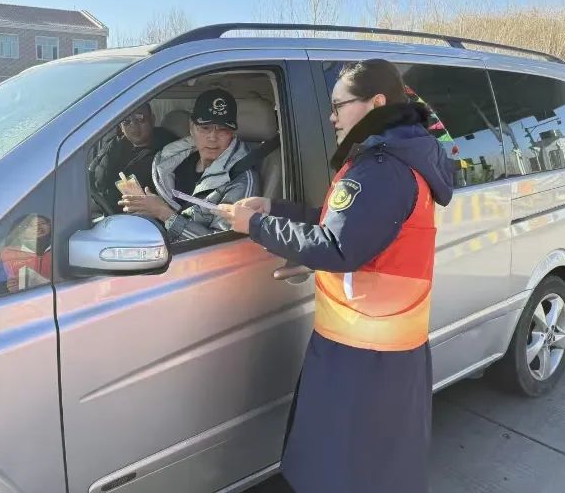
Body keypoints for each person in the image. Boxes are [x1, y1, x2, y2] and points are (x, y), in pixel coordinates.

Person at [216, 59, 454, 493]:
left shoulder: (382, 167)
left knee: (345, 469)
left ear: (376, 103)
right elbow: (350, 223)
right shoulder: (396, 158)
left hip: (364, 353)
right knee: (376, 466)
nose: (331, 117)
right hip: (381, 345)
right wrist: (276, 209)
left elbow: (337, 247)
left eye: (339, 105)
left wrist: (255, 225)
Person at [119, 89, 260, 242]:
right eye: (205, 128)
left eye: (223, 130)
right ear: (192, 127)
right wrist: (147, 209)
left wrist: (164, 213)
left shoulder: (241, 179)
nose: (213, 137)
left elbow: (224, 245)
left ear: (232, 134)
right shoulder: (172, 162)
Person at [90, 102, 177, 209]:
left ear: (152, 120)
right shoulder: (114, 145)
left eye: (140, 118)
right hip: (100, 205)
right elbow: (92, 175)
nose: (134, 126)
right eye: (126, 121)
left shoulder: (168, 152)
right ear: (121, 126)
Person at [0, 213, 52, 298]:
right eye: (31, 225)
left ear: (50, 226)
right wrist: (7, 288)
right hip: (26, 303)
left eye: (42, 223)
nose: (38, 227)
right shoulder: (6, 257)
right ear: (20, 233)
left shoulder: (60, 247)